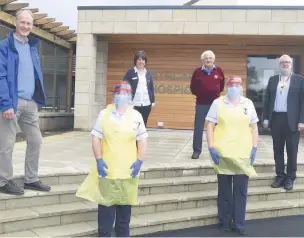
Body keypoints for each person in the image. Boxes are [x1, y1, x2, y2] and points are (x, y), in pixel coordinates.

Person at [76, 82, 148, 237]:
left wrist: (140, 160)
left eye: (126, 94)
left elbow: (142, 139)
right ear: (113, 95)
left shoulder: (136, 116)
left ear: (130, 96)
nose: (122, 96)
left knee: (123, 219)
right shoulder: (104, 114)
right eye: (119, 93)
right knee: (105, 218)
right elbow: (96, 138)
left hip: (128, 172)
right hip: (107, 170)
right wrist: (99, 159)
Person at [0, 10, 51, 195]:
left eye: (29, 24)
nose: (26, 26)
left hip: (30, 103)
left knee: (36, 140)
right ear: (15, 22)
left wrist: (37, 98)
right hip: (12, 102)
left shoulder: (32, 47)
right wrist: (5, 104)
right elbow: (1, 76)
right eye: (23, 22)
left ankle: (31, 179)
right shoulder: (5, 46)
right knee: (6, 143)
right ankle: (4, 181)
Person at [205, 75, 259, 235]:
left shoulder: (247, 103)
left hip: (243, 153)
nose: (234, 87)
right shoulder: (218, 103)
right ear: (227, 87)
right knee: (225, 190)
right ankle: (225, 221)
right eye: (231, 85)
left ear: (241, 87)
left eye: (237, 84)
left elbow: (254, 127)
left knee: (241, 191)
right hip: (223, 153)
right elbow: (210, 125)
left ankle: (239, 224)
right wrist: (210, 147)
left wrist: (255, 147)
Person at [263, 54, 304, 191]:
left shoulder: (299, 80)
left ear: (291, 64)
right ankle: (280, 175)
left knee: (292, 150)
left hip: (292, 120)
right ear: (279, 64)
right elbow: (267, 100)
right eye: (282, 62)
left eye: (287, 62)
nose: (285, 64)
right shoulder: (273, 80)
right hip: (276, 119)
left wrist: (301, 121)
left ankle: (290, 177)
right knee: (278, 149)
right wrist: (266, 118)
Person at [190, 50, 225, 159]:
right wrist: (201, 93)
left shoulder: (219, 71)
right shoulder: (197, 72)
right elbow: (193, 87)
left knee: (217, 128)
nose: (208, 60)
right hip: (201, 104)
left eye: (210, 58)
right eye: (206, 58)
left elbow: (222, 86)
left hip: (215, 104)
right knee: (198, 128)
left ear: (213, 59)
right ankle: (196, 151)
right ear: (203, 60)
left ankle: (217, 149)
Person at [123, 50, 155, 127]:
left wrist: (153, 101)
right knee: (133, 126)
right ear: (136, 61)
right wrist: (127, 100)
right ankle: (134, 139)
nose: (141, 62)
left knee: (143, 125)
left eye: (143, 60)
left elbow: (151, 88)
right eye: (139, 59)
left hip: (146, 104)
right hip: (134, 104)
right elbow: (124, 86)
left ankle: (141, 139)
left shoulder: (148, 74)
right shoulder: (130, 72)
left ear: (145, 62)